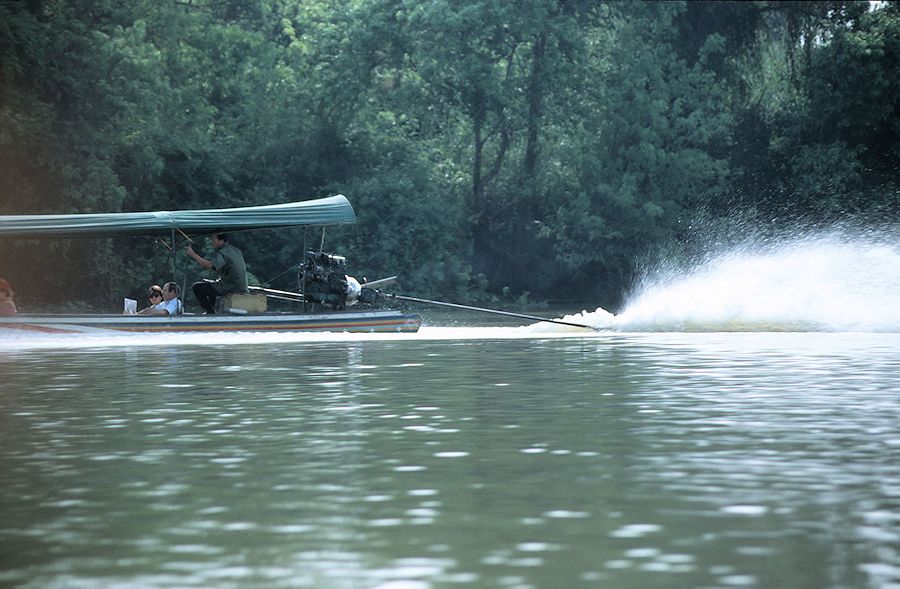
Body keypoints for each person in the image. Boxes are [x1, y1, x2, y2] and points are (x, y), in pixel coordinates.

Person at [184, 232, 248, 314]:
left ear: (221, 240)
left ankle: (210, 312)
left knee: (197, 287)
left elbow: (210, 266)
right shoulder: (236, 250)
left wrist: (193, 255)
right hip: (240, 285)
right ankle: (212, 310)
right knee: (210, 286)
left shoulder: (223, 253)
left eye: (213, 239)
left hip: (231, 286)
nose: (212, 242)